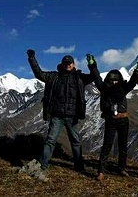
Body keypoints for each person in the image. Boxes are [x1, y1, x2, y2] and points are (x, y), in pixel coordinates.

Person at [23, 49, 96, 182]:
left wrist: (92, 65)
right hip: (57, 116)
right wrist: (32, 59)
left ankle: (79, 166)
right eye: (66, 63)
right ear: (62, 64)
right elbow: (38, 74)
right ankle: (43, 165)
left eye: (70, 63)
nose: (68, 65)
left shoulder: (80, 78)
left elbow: (95, 77)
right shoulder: (53, 77)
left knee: (75, 142)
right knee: (50, 140)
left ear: (73, 65)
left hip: (72, 116)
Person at [87, 54, 138, 181]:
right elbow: (96, 77)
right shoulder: (107, 88)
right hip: (113, 119)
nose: (114, 82)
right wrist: (92, 66)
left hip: (122, 119)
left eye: (115, 79)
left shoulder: (117, 88)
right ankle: (102, 171)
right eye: (112, 80)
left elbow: (133, 81)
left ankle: (120, 168)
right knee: (108, 145)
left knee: (121, 145)